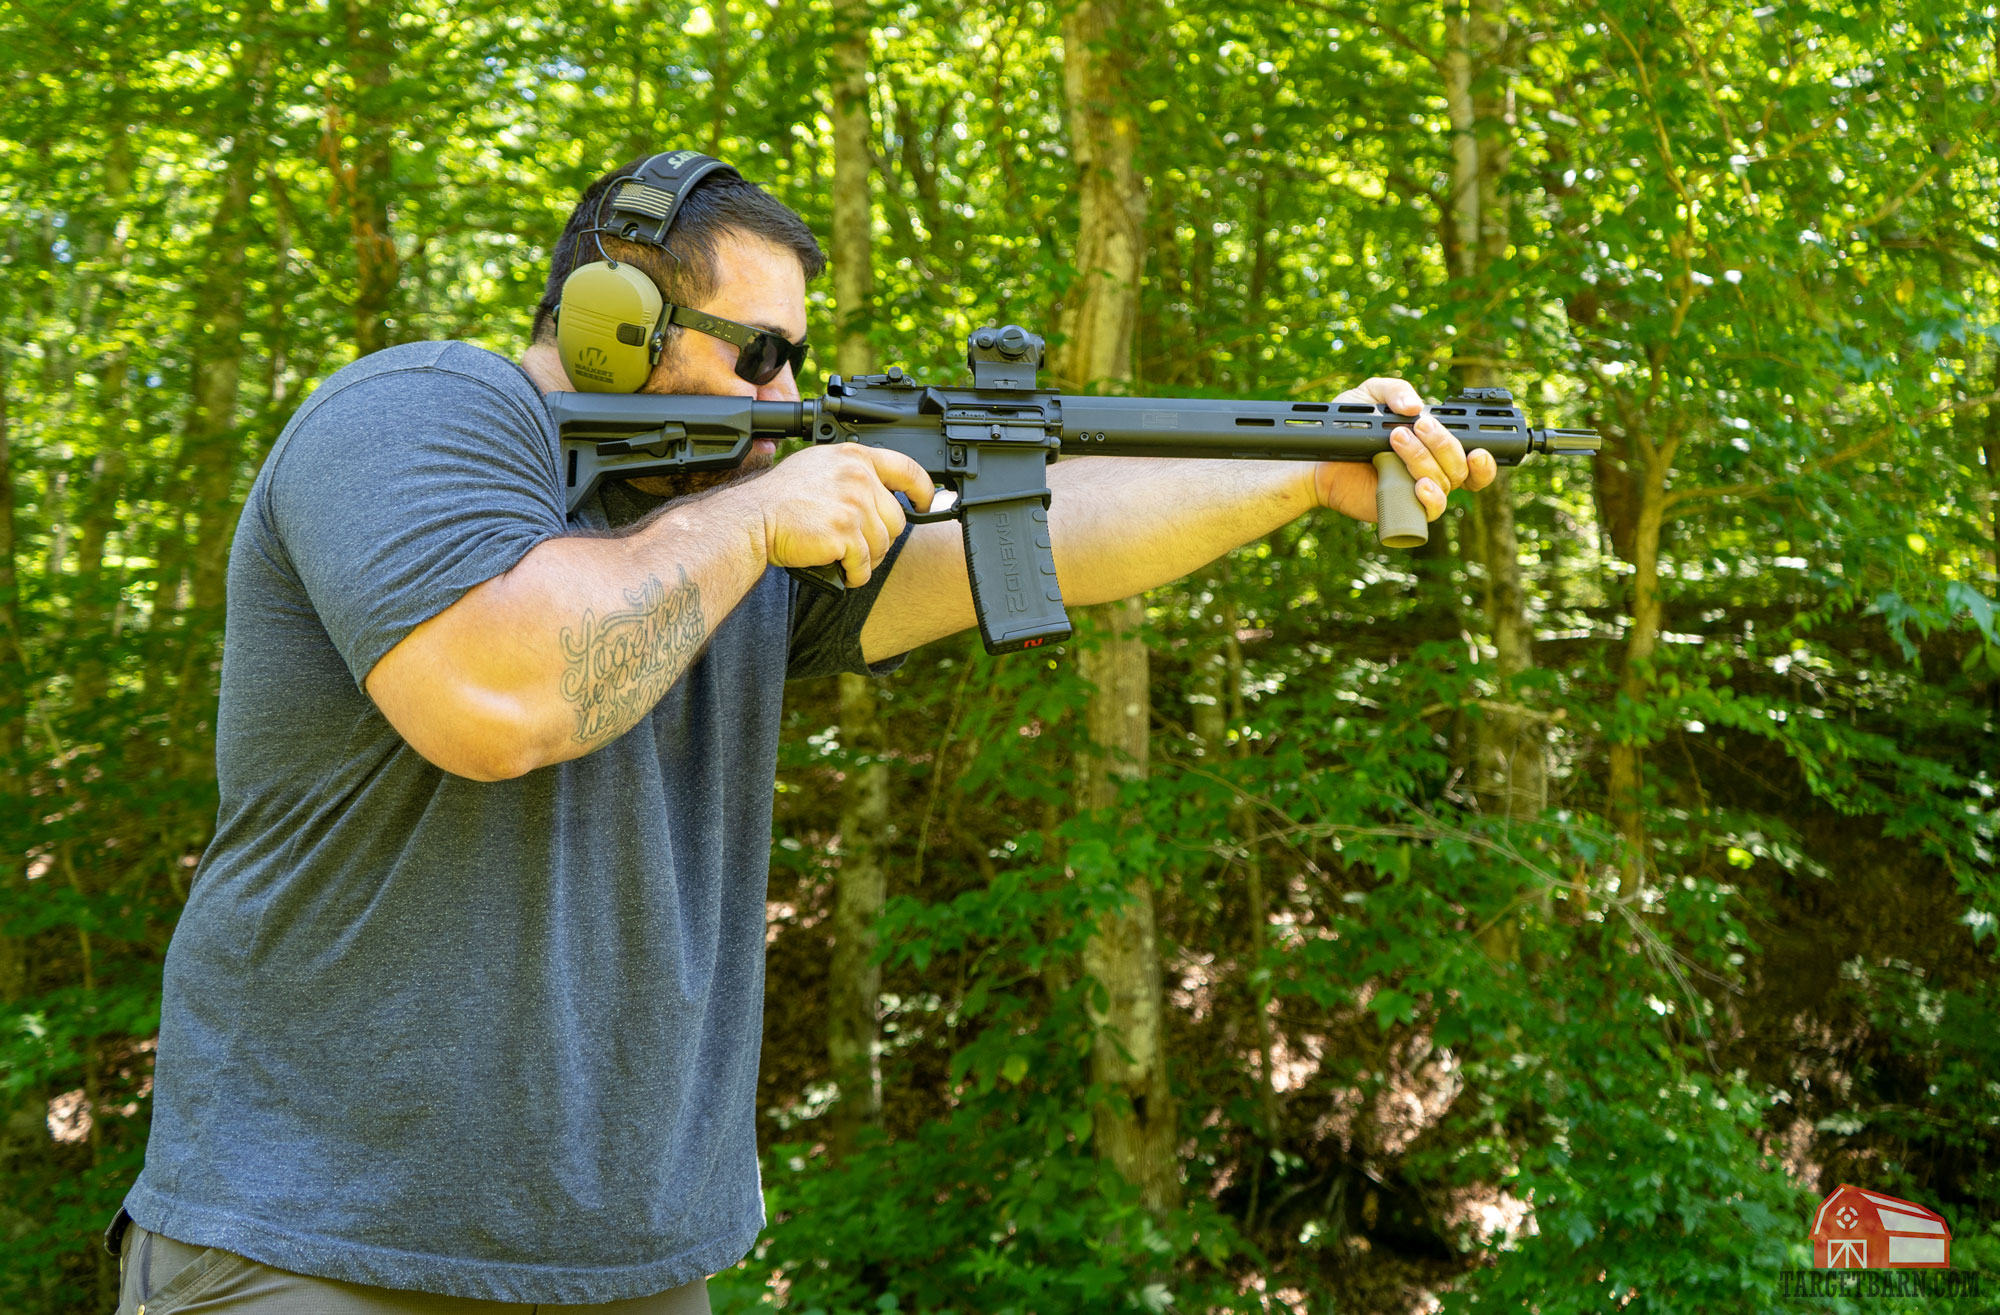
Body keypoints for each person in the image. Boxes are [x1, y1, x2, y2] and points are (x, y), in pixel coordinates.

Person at [104, 152, 1495, 1313]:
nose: (783, 399)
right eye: (755, 353)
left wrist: (1306, 469)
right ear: (610, 324)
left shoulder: (735, 519)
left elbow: (1042, 540)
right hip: (313, 1245)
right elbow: (494, 693)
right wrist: (756, 516)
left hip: (636, 1262)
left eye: (796, 361)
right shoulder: (424, 412)